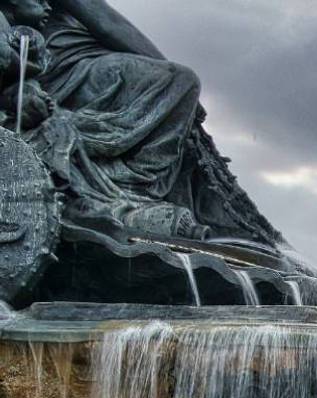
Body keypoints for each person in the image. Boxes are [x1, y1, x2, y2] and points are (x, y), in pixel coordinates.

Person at [0, 0, 276, 243]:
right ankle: (134, 189)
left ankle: (120, 182)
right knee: (181, 81)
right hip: (66, 69)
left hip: (65, 70)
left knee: (179, 84)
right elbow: (108, 24)